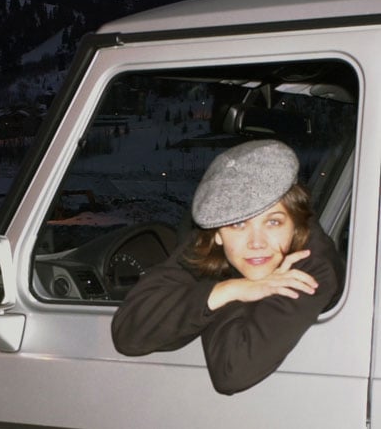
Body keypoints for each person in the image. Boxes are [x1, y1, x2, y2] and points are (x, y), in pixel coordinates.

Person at [111, 139, 345, 395]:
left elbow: (232, 371)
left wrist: (227, 292)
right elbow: (128, 334)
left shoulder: (310, 267)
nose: (257, 243)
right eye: (238, 225)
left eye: (274, 222)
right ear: (218, 233)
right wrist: (231, 289)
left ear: (296, 223)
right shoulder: (210, 247)